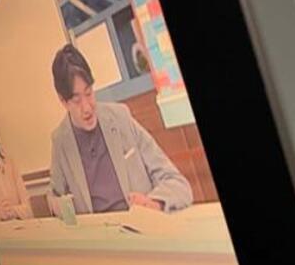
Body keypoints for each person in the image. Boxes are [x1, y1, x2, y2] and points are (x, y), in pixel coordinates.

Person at [49, 44, 192, 214]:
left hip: (140, 224)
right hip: (99, 229)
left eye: (89, 93)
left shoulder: (120, 118)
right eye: (76, 100)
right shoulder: (61, 141)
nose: (87, 108)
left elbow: (176, 182)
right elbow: (54, 197)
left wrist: (154, 203)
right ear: (63, 101)